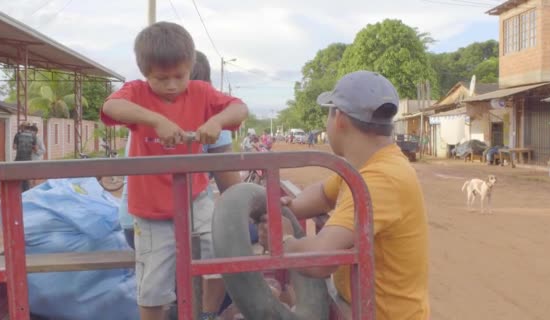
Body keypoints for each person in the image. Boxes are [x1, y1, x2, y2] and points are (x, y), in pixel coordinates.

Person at [100, 22, 248, 320]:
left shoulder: (201, 92)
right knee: (153, 283)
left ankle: (206, 313)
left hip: (195, 200)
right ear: (145, 74)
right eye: (161, 78)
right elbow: (111, 107)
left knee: (219, 251)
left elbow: (240, 108)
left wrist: (217, 121)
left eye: (179, 76)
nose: (171, 85)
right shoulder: (137, 93)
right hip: (151, 212)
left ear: (190, 66)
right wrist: (155, 120)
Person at [258, 71, 430, 320]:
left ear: (338, 118)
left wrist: (282, 240)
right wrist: (288, 207)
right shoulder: (362, 167)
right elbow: (323, 195)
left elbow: (321, 259)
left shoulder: (382, 178)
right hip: (360, 305)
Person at [13, 122, 36, 192]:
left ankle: (19, 191)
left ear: (22, 127)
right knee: (26, 176)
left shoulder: (18, 135)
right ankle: (26, 191)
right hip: (28, 159)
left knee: (18, 176)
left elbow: (14, 147)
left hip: (19, 159)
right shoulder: (33, 136)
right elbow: (35, 149)